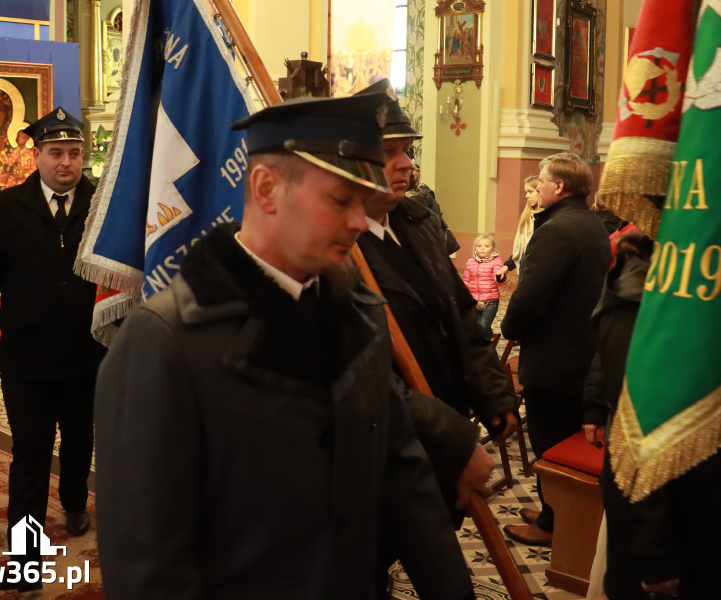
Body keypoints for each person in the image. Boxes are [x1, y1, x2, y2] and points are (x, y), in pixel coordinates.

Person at [93, 93, 475, 600]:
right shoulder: (164, 340)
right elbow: (149, 567)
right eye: (341, 200)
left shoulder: (358, 316)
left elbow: (405, 478)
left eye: (364, 202)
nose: (361, 221)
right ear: (267, 188)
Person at [0, 106, 105, 592]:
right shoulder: (6, 208)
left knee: (79, 442)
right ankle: (25, 559)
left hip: (88, 355)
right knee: (32, 453)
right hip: (28, 360)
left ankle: (75, 504)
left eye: (75, 153)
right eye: (56, 153)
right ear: (36, 156)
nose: (66, 163)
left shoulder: (104, 204)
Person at [354, 80, 517, 528]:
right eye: (390, 152)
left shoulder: (418, 223)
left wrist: (493, 394)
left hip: (445, 413)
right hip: (391, 437)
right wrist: (451, 439)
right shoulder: (340, 245)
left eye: (407, 150)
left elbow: (462, 316)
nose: (407, 163)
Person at [499, 152, 611, 546]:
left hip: (555, 357)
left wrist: (510, 327)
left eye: (543, 180)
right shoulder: (591, 223)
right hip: (583, 351)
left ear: (559, 187)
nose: (538, 185)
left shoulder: (556, 230)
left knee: (549, 441)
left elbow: (530, 297)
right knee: (561, 434)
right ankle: (552, 511)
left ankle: (552, 525)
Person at [496, 174, 543, 281]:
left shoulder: (544, 219)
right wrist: (506, 267)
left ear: (540, 191)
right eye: (526, 192)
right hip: (525, 270)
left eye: (530, 192)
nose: (527, 196)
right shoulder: (527, 217)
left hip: (538, 273)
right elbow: (521, 250)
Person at [462, 233, 504, 340]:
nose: (482, 249)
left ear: (493, 249)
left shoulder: (496, 261)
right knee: (477, 326)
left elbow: (499, 279)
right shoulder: (471, 262)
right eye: (479, 246)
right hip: (477, 301)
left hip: (490, 302)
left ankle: (490, 342)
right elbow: (466, 280)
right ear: (475, 248)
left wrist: (500, 277)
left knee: (484, 326)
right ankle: (482, 344)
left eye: (486, 246)